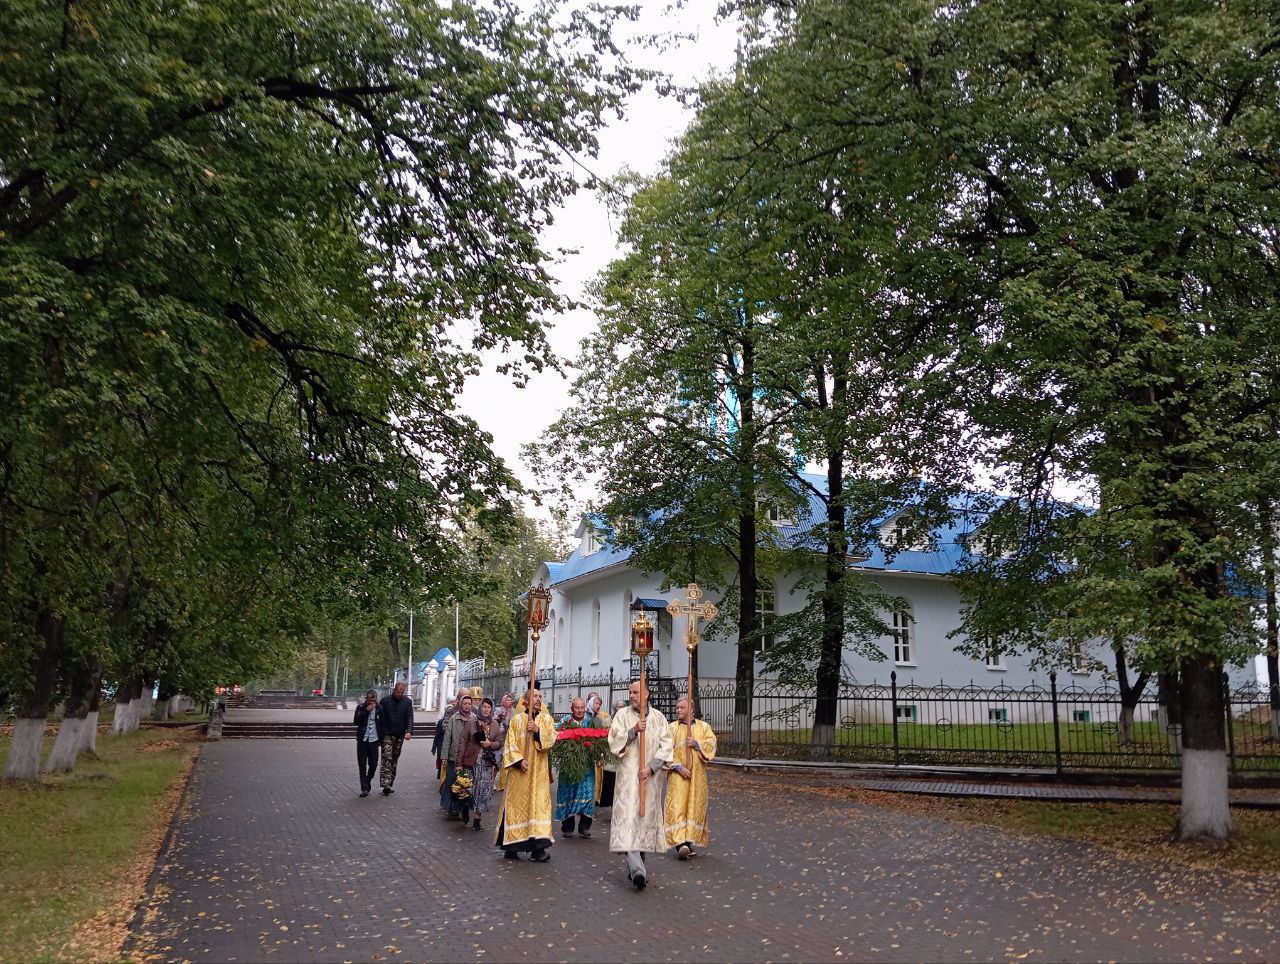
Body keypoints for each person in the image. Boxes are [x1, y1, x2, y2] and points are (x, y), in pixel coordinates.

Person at [607, 680, 673, 890]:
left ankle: (637, 867)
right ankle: (638, 871)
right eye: (630, 692)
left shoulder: (659, 718)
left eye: (636, 692)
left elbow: (667, 745)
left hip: (649, 780)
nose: (632, 696)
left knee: (643, 823)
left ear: (646, 694)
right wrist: (633, 731)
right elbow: (613, 740)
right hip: (628, 780)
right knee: (628, 822)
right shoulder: (622, 715)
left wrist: (652, 767)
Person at [495, 689, 556, 862]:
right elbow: (510, 745)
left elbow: (551, 739)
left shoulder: (547, 719)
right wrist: (519, 761)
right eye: (535, 696)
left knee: (539, 809)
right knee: (516, 808)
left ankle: (538, 850)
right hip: (520, 775)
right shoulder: (517, 720)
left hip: (539, 774)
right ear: (526, 701)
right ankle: (512, 848)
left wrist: (537, 731)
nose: (538, 699)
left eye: (540, 696)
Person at [665, 696, 718, 859]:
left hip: (697, 776)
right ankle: (680, 843)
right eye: (677, 708)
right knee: (678, 806)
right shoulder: (671, 728)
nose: (678, 710)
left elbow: (712, 744)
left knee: (694, 807)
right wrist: (678, 767)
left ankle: (688, 843)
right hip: (678, 775)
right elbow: (665, 750)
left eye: (681, 707)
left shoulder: (704, 727)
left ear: (691, 709)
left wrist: (697, 744)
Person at [554, 697, 600, 838]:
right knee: (568, 794)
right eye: (577, 708)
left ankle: (584, 827)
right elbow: (556, 739)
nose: (580, 710)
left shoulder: (590, 722)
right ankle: (567, 827)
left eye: (582, 707)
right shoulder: (565, 722)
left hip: (587, 766)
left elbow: (597, 740)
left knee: (587, 794)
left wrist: (596, 753)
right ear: (572, 708)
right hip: (569, 766)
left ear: (585, 707)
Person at [468, 697, 502, 832]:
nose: (486, 709)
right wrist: (459, 761)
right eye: (484, 706)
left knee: (483, 790)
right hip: (473, 760)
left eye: (489, 707)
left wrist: (490, 744)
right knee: (470, 788)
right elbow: (464, 740)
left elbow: (499, 742)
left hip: (486, 762)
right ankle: (465, 810)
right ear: (480, 708)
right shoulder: (472, 722)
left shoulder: (495, 724)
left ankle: (477, 819)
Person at [377, 682, 414, 796]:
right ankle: (385, 783)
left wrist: (409, 731)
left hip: (400, 734)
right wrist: (379, 736)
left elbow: (410, 716)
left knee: (394, 758)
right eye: (398, 692)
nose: (400, 694)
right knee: (386, 757)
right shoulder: (385, 701)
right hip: (387, 734)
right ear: (394, 690)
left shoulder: (407, 702)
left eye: (402, 693)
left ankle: (390, 782)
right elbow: (379, 719)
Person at [442, 693, 475, 819]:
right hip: (454, 756)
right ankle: (449, 807)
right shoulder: (454, 718)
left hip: (468, 757)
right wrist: (444, 756)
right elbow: (447, 738)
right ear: (461, 705)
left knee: (464, 783)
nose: (467, 706)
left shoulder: (474, 719)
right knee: (451, 781)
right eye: (465, 703)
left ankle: (460, 808)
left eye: (469, 704)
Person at [353, 689, 381, 797]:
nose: (372, 702)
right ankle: (364, 788)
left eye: (374, 700)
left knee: (373, 764)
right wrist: (366, 710)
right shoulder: (360, 707)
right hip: (363, 740)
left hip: (374, 740)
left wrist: (381, 739)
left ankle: (368, 780)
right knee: (362, 765)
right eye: (370, 700)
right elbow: (356, 721)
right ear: (366, 699)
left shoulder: (379, 708)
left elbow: (382, 724)